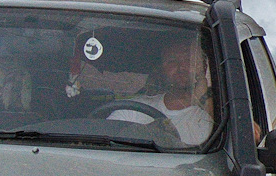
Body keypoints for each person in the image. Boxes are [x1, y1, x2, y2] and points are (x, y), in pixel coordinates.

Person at [66, 24, 215, 146]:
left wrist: (202, 96)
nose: (181, 67)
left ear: (203, 66)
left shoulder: (210, 118)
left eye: (188, 60)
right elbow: (106, 146)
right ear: (161, 69)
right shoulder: (132, 109)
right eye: (171, 61)